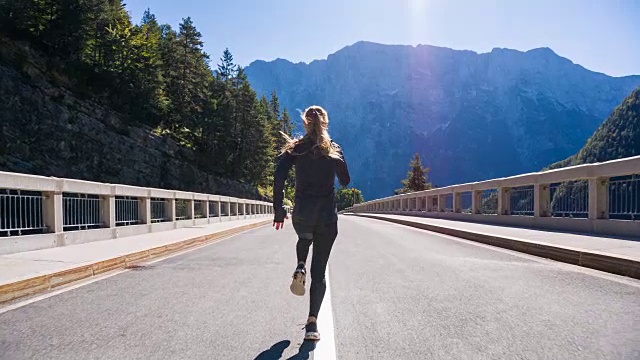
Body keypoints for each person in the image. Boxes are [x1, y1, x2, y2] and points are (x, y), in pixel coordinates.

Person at [272, 105, 350, 341]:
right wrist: (336, 162)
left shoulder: (296, 149)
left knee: (304, 237)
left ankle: (299, 264)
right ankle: (312, 324)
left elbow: (278, 176)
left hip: (302, 213)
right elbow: (346, 181)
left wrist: (278, 210)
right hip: (327, 216)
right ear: (325, 123)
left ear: (305, 123)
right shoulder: (332, 149)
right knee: (320, 273)